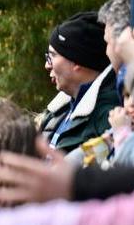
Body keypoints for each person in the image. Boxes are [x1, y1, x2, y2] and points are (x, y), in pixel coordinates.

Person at [39, 12, 120, 158]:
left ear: (76, 61)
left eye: (52, 56)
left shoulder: (109, 118)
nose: (46, 65)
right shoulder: (60, 110)